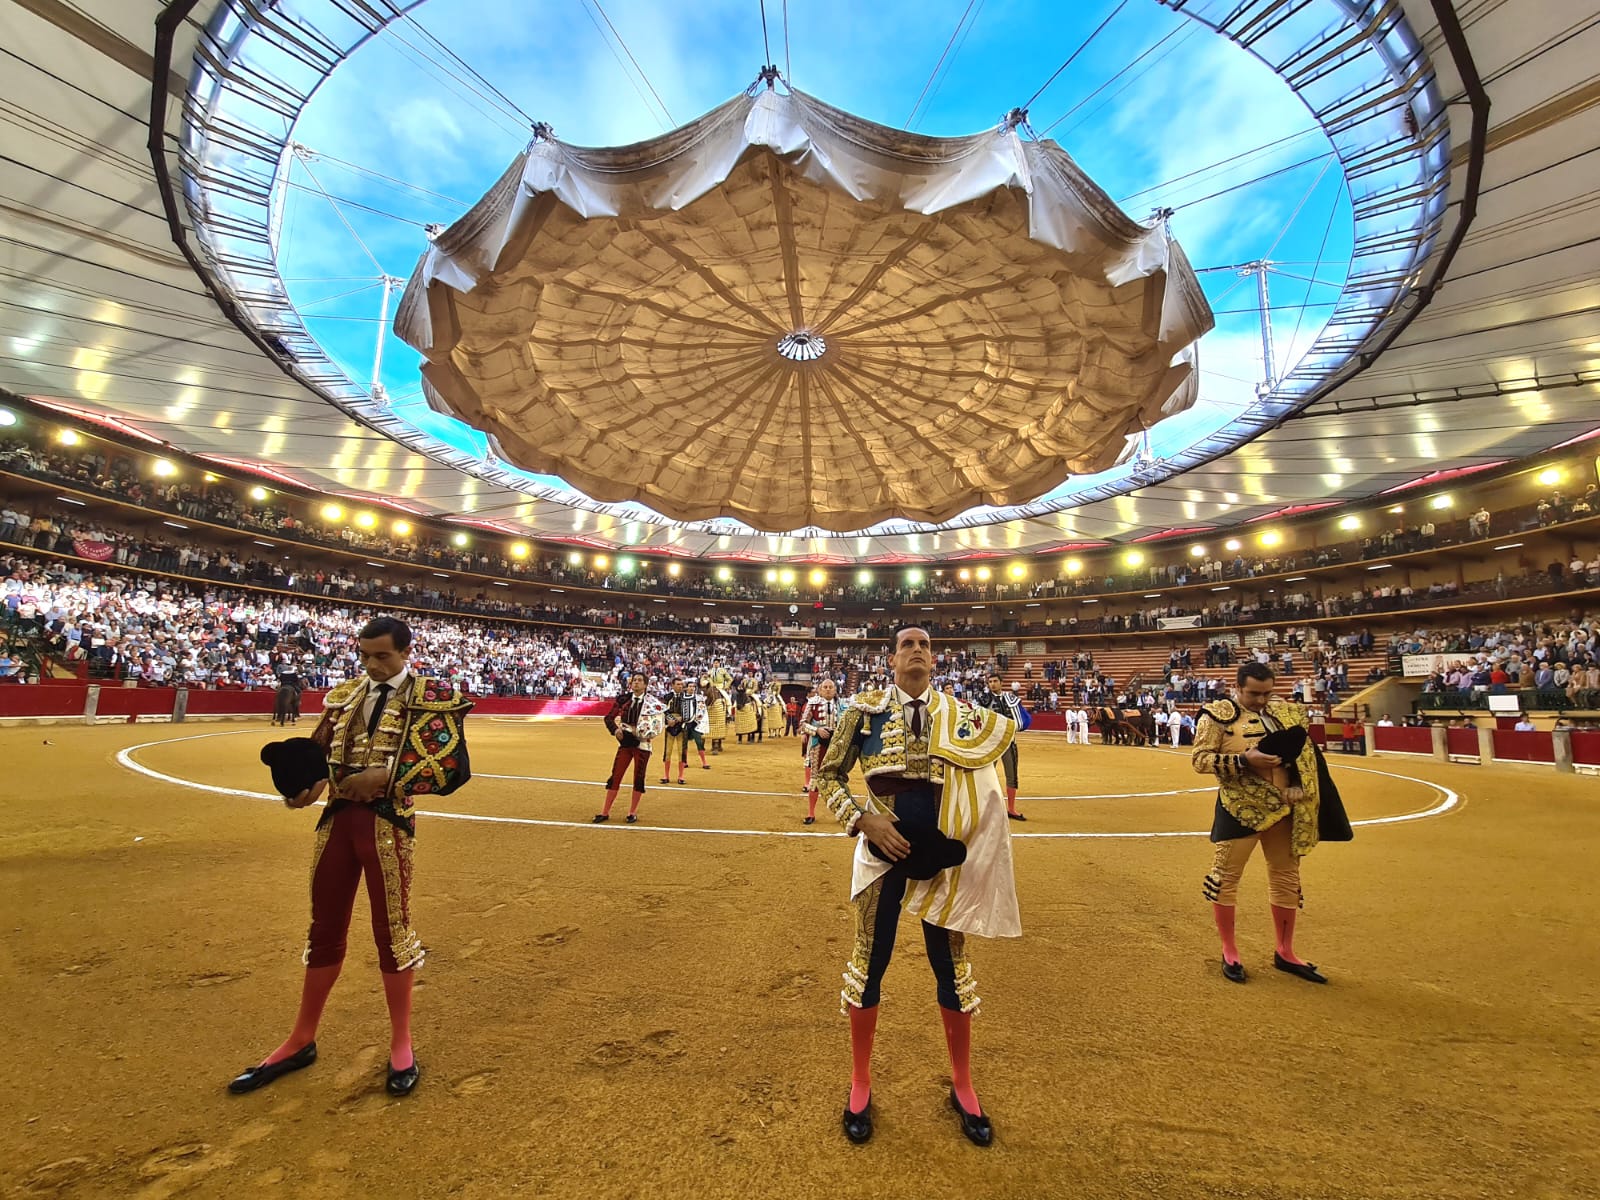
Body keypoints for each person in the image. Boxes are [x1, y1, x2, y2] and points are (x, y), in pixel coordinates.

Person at [229, 615, 472, 1098]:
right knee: (324, 930)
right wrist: (301, 788)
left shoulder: (434, 698)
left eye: (382, 656)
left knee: (392, 932)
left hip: (387, 825)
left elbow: (453, 771)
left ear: (406, 652)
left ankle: (401, 1042)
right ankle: (300, 1039)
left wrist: (386, 779)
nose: (372, 665)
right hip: (337, 824)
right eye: (365, 655)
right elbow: (318, 759)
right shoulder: (344, 698)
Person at [814, 627, 1021, 1147]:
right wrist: (864, 820)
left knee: (951, 965)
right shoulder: (862, 712)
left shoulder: (961, 716)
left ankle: (964, 1085)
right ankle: (860, 1083)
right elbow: (829, 775)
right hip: (882, 855)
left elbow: (984, 787)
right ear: (891, 659)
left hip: (941, 859)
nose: (918, 651)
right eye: (907, 644)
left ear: (935, 659)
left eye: (925, 645)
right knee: (870, 962)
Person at [1192, 661, 1351, 986]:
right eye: (1254, 694)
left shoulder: (1287, 715)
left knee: (1286, 879)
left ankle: (1285, 951)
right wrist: (1243, 759)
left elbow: (1303, 760)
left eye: (1267, 693)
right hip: (1240, 808)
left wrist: (1295, 785)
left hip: (1284, 809)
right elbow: (1200, 760)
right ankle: (1230, 950)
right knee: (1226, 879)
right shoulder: (1217, 715)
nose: (1261, 700)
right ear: (1238, 688)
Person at [595, 673, 666, 823]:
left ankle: (632, 812)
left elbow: (658, 724)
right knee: (616, 775)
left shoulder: (653, 703)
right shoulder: (623, 700)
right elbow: (608, 718)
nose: (636, 683)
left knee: (638, 778)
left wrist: (647, 732)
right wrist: (615, 730)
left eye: (640, 681)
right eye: (634, 681)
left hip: (643, 743)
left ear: (646, 685)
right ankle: (605, 812)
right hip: (626, 742)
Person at [972, 675, 1030, 820]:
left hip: (1009, 741)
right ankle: (984, 808)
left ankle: (1011, 808)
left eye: (995, 681)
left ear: (1001, 683)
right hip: (991, 743)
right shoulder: (983, 700)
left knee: (1012, 775)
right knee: (986, 775)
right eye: (990, 682)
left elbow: (1022, 719)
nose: (992, 684)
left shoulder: (1011, 699)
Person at [800, 678, 844, 824]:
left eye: (830, 687)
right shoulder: (812, 703)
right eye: (824, 687)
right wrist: (817, 730)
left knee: (838, 778)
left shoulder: (842, 704)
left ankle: (842, 812)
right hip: (818, 745)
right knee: (815, 778)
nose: (827, 689)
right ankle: (811, 813)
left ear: (835, 689)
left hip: (836, 746)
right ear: (819, 689)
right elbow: (803, 724)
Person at [659, 677, 707, 785]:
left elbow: (690, 713)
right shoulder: (668, 697)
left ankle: (681, 776)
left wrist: (679, 719)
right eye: (678, 684)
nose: (680, 686)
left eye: (681, 684)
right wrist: (669, 719)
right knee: (667, 752)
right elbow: (663, 709)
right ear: (672, 685)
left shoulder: (687, 697)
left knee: (682, 752)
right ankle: (666, 775)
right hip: (670, 727)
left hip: (682, 726)